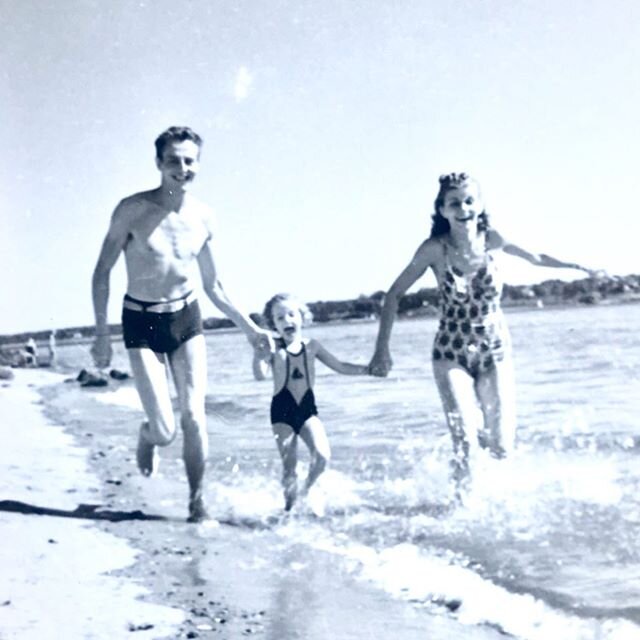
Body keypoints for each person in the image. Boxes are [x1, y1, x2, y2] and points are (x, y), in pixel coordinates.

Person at [369, 172, 598, 495]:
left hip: (495, 351)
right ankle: (459, 510)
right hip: (450, 353)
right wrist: (382, 350)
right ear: (443, 210)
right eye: (454, 203)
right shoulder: (434, 249)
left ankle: (488, 502)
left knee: (501, 447)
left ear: (479, 204)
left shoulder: (493, 240)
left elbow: (536, 258)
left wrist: (576, 266)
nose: (463, 208)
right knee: (464, 440)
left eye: (469, 200)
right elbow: (393, 296)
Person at [91, 126, 271, 522]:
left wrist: (250, 328)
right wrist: (102, 335)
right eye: (173, 159)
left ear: (198, 165)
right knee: (166, 430)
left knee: (194, 417)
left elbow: (214, 285)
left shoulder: (204, 216)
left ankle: (197, 503)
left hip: (186, 318)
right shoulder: (131, 210)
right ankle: (148, 434)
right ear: (159, 163)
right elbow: (102, 271)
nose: (182, 167)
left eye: (190, 160)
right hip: (140, 322)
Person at [253, 293, 369, 511]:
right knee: (290, 467)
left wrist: (368, 370)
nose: (287, 320)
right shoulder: (275, 350)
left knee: (323, 456)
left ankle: (305, 492)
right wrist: (259, 355)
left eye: (291, 314)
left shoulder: (312, 346)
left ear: (302, 317)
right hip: (282, 414)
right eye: (279, 318)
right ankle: (288, 510)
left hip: (307, 412)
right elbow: (260, 375)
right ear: (273, 325)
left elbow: (340, 366)